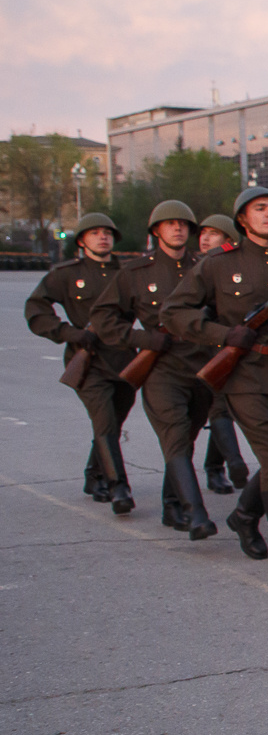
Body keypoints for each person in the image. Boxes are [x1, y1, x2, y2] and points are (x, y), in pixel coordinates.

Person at [162, 186, 268, 588]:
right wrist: (223, 335)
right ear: (242, 220)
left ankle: (245, 515)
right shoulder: (217, 264)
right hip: (244, 374)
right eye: (259, 209)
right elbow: (174, 312)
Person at [90, 200, 218, 538]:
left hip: (203, 368)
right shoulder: (135, 272)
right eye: (169, 223)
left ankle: (172, 503)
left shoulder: (206, 266)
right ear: (156, 231)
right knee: (175, 437)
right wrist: (140, 339)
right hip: (161, 369)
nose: (177, 228)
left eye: (183, 224)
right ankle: (196, 513)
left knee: (186, 439)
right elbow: (103, 317)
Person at [25, 212, 135, 512]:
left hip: (125, 359)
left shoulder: (127, 272)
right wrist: (67, 332)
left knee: (115, 420)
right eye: (95, 232)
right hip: (88, 360)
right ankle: (118, 486)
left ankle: (93, 474)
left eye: (108, 233)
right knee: (105, 421)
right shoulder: (66, 273)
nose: (103, 237)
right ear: (82, 240)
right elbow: (36, 309)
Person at [194, 216, 251, 496]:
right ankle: (221, 465)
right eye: (202, 233)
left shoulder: (232, 267)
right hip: (191, 351)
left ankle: (221, 466)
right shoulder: (194, 267)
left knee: (220, 406)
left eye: (214, 234)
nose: (205, 238)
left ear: (229, 240)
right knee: (214, 409)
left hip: (224, 348)